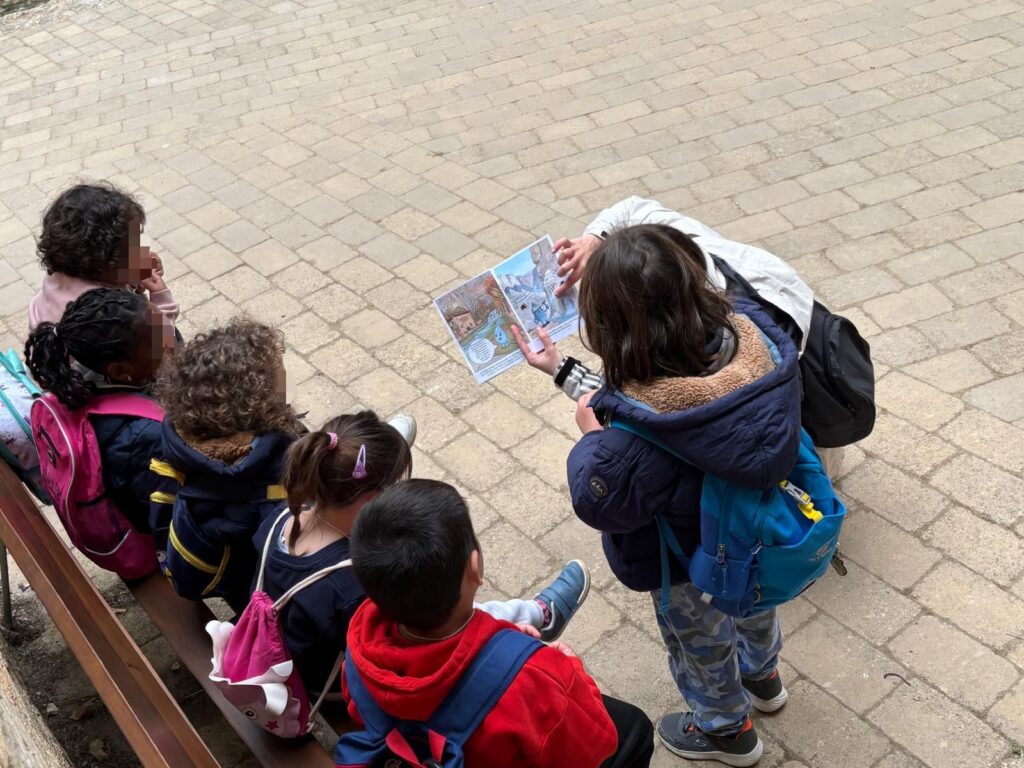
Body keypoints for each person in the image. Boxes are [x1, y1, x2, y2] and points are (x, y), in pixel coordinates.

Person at [525, 224, 802, 766]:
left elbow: (600, 499)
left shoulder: (633, 441)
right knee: (754, 605)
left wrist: (593, 440)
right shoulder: (754, 351)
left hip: (688, 564)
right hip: (754, 537)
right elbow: (640, 404)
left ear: (615, 334)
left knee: (702, 645)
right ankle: (763, 676)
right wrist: (561, 370)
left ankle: (727, 732)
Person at [256, 411, 593, 707]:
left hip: (292, 655)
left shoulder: (279, 519)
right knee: (459, 611)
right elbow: (425, 635)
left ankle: (366, 460)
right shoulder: (351, 586)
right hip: (335, 688)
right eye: (394, 484)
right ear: (373, 501)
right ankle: (538, 615)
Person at [343, 478, 654, 768]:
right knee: (636, 728)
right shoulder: (533, 678)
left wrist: (508, 653)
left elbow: (359, 709)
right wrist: (569, 668)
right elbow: (593, 748)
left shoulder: (359, 647)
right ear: (475, 567)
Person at [537, 195, 846, 478]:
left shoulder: (654, 423)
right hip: (800, 457)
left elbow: (601, 494)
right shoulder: (754, 335)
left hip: (721, 512)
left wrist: (595, 440)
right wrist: (595, 238)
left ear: (626, 338)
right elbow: (631, 208)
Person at [151, 319, 304, 608]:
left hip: (232, 577)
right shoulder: (276, 469)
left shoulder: (181, 441)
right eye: (278, 376)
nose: (285, 380)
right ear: (259, 402)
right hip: (268, 587)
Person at [24, 288, 174, 531]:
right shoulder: (146, 437)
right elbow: (166, 514)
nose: (171, 341)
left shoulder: (77, 376)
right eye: (162, 343)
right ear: (121, 370)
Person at [29, 183, 179, 333]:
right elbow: (162, 341)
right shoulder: (109, 313)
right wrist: (162, 300)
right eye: (132, 247)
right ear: (104, 263)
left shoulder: (59, 273)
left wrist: (133, 279)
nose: (140, 252)